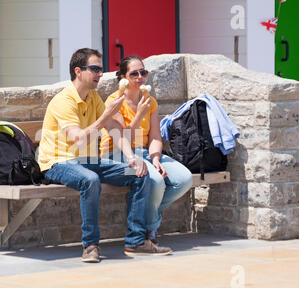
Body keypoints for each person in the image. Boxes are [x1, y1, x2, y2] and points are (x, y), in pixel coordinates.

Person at [38, 48, 172, 263]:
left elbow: (115, 130)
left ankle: (136, 242)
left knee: (140, 173)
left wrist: (131, 158)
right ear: (78, 71)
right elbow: (79, 139)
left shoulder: (93, 97)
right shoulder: (64, 101)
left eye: (101, 69)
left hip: (90, 162)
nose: (100, 74)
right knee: (90, 180)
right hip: (58, 162)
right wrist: (106, 116)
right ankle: (90, 245)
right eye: (95, 69)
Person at [100, 55, 193, 244]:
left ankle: (143, 212)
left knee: (185, 179)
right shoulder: (114, 101)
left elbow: (156, 137)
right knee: (156, 181)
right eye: (134, 73)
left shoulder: (149, 101)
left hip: (144, 152)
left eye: (143, 72)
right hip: (116, 154)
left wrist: (156, 158)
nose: (140, 77)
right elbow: (123, 139)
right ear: (123, 78)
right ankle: (150, 229)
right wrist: (139, 115)